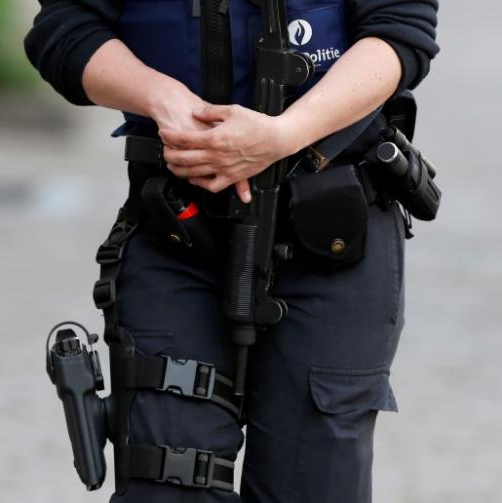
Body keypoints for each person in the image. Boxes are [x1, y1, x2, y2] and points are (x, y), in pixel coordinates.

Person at [26, 0, 439, 501]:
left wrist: (284, 134)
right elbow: (65, 29)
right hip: (177, 231)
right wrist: (161, 97)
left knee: (312, 482)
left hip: (330, 230)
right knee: (169, 485)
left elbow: (400, 33)